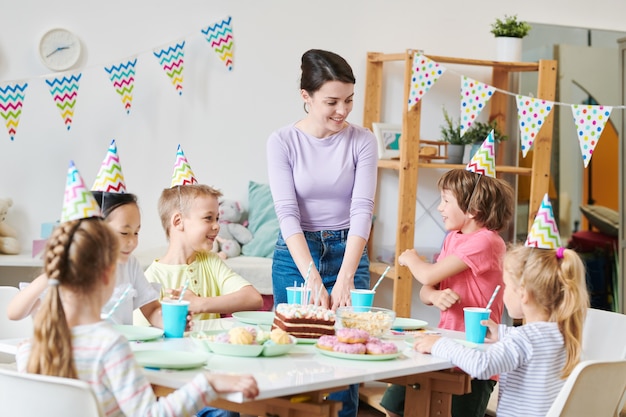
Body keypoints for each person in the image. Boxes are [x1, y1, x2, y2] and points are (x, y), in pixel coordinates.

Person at [16, 217, 259, 416]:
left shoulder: (30, 348)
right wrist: (209, 383)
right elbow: (150, 415)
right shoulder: (108, 345)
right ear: (107, 276)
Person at [266, 49, 378, 417]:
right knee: (295, 355)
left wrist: (346, 276)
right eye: (331, 101)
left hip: (349, 249)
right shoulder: (282, 141)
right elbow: (287, 213)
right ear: (306, 97)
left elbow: (362, 208)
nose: (342, 111)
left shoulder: (362, 141)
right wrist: (312, 276)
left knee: (347, 360)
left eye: (348, 100)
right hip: (297, 255)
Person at [380, 168, 515, 417]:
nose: (440, 208)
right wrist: (434, 296)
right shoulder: (453, 237)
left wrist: (412, 259)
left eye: (446, 201)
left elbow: (428, 275)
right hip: (443, 344)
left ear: (473, 209)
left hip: (475, 354)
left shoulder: (487, 241)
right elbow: (427, 289)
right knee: (394, 405)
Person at [412, 244, 589, 417]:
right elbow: (530, 345)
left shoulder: (523, 339)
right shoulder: (563, 332)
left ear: (523, 295)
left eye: (506, 286)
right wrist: (502, 333)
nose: (503, 293)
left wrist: (439, 344)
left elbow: (482, 365)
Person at [7, 142, 162, 327]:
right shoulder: (72, 266)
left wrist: (172, 321)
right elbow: (14, 312)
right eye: (124, 232)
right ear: (96, 231)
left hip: (116, 350)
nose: (132, 241)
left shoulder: (130, 265)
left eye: (137, 232)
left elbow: (151, 309)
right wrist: (51, 275)